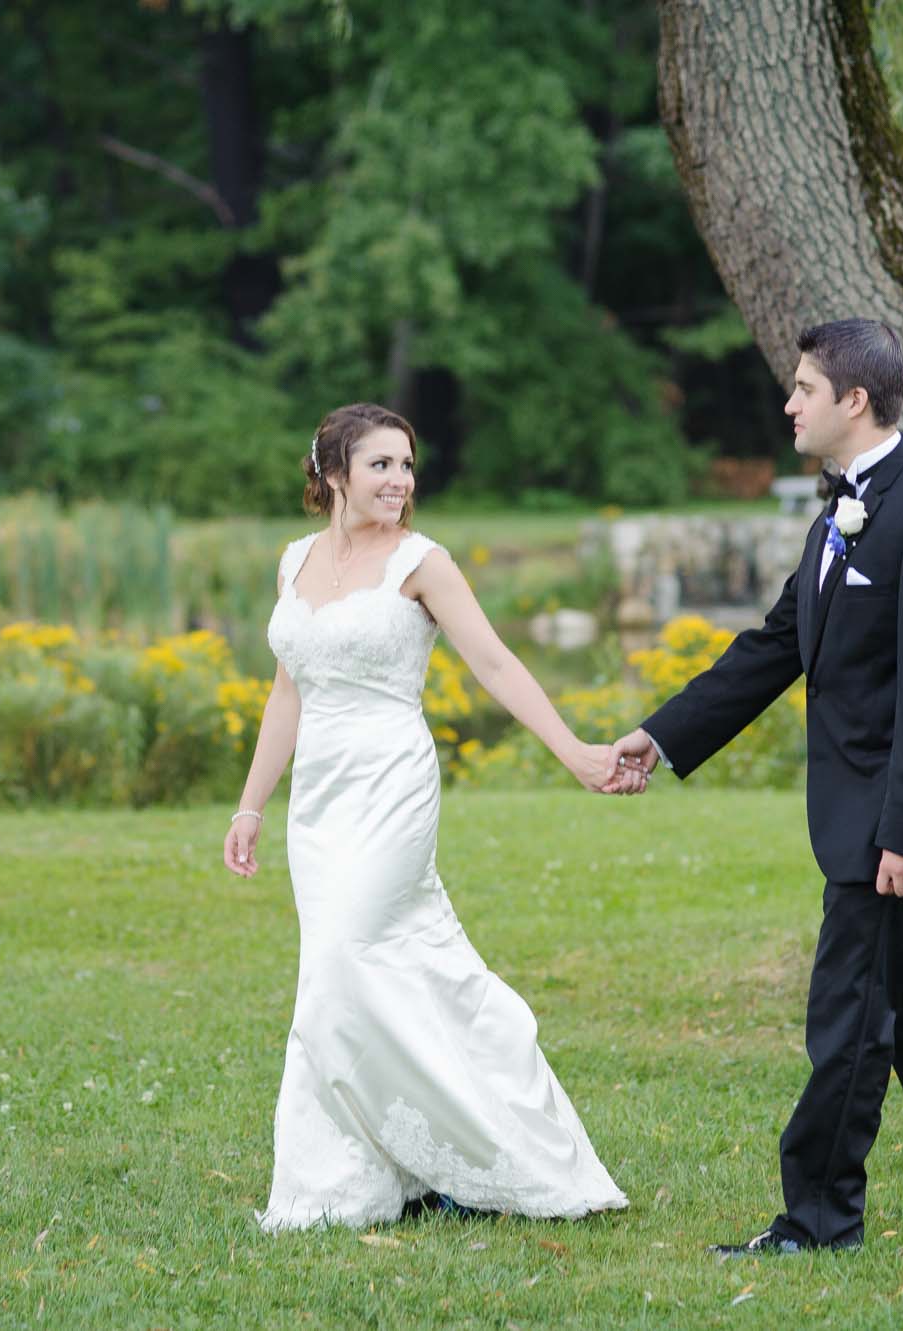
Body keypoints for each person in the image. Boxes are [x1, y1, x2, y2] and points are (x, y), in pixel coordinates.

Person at [611, 319, 903, 1255]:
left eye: (803, 388)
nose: (789, 403)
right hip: (870, 818)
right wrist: (661, 736)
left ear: (855, 401)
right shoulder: (838, 511)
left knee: (849, 1018)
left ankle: (819, 1219)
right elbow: (772, 649)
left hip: (894, 825)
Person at [225, 401, 639, 1233]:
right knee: (362, 971)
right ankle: (367, 1171)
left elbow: (493, 661)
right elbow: (286, 690)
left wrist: (574, 751)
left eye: (407, 466)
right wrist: (251, 803)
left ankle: (486, 1154)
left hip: (390, 783)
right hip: (319, 801)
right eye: (381, 465)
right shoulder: (294, 561)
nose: (400, 481)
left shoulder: (423, 562)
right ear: (332, 473)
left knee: (347, 956)